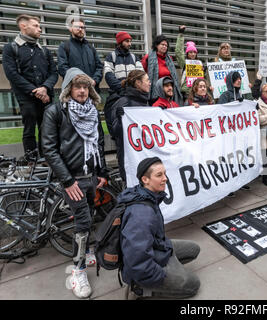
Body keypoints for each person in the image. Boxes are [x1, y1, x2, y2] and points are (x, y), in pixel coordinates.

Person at [41, 68, 107, 299]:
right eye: (77, 86)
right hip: (73, 179)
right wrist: (68, 181)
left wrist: (102, 172)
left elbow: (99, 143)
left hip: (91, 176)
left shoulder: (92, 112)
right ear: (69, 89)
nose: (82, 91)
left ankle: (87, 250)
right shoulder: (55, 111)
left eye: (85, 86)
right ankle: (78, 271)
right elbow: (48, 148)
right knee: (83, 220)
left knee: (90, 213)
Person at [120, 157, 201, 300]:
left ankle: (170, 268)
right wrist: (159, 276)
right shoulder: (141, 214)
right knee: (193, 285)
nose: (165, 179)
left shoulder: (146, 194)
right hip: (142, 265)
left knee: (193, 249)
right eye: (159, 175)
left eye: (164, 173)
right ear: (145, 179)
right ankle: (141, 288)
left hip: (155, 248)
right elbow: (136, 258)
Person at [3, 14, 58, 156]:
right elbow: (12, 74)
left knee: (47, 128)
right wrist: (35, 91)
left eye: (39, 26)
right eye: (36, 26)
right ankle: (31, 160)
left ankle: (47, 159)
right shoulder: (11, 48)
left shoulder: (44, 50)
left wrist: (45, 88)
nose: (40, 29)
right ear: (23, 26)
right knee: (29, 128)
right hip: (26, 97)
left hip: (46, 96)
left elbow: (54, 73)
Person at [110, 70, 152, 182]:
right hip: (130, 160)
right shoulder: (123, 103)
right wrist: (119, 120)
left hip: (145, 156)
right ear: (138, 83)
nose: (150, 83)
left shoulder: (145, 102)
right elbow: (114, 133)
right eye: (147, 80)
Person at [103, 31, 145, 134]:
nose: (129, 44)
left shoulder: (135, 58)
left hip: (133, 96)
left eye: (130, 41)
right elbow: (108, 75)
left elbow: (141, 75)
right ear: (120, 42)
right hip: (116, 95)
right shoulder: (111, 57)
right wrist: (121, 88)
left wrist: (130, 89)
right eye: (127, 41)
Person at [58, 18, 103, 94]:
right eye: (77, 27)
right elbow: (62, 68)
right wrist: (79, 81)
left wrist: (95, 80)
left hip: (92, 90)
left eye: (82, 27)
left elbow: (99, 66)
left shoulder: (91, 48)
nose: (80, 29)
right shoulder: (64, 47)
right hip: (74, 91)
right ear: (70, 29)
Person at [143, 35, 183, 105]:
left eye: (166, 45)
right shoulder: (148, 57)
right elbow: (142, 73)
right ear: (156, 45)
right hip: (156, 92)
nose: (164, 47)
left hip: (169, 91)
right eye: (162, 44)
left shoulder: (169, 59)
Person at [175, 25, 211, 101]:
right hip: (187, 93)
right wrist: (181, 34)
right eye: (190, 52)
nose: (192, 54)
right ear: (187, 53)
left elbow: (203, 80)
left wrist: (204, 73)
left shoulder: (200, 64)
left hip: (199, 93)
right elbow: (178, 52)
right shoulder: (184, 63)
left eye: (194, 52)